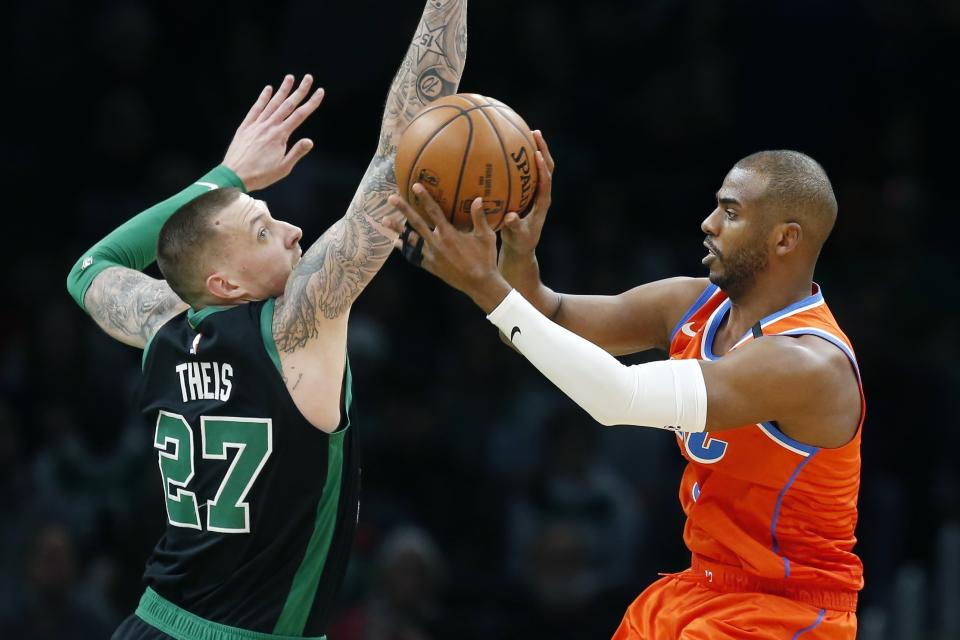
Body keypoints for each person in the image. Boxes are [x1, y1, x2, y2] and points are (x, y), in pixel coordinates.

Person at [65, 1, 470, 637]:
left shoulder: (163, 326)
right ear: (223, 281)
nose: (292, 228)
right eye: (262, 228)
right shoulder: (297, 326)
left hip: (149, 623)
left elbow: (91, 267)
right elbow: (405, 143)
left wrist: (228, 176)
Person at [387, 132, 864, 638]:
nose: (708, 224)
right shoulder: (691, 305)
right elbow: (543, 321)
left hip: (786, 608)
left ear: (785, 239)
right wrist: (517, 255)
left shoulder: (807, 362)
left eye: (731, 212)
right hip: (698, 589)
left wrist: (483, 286)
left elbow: (617, 397)